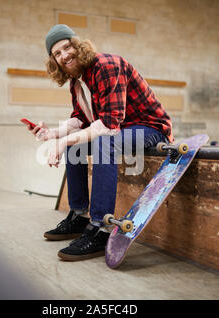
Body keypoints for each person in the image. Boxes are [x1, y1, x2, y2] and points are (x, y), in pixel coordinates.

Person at [27, 24, 173, 261]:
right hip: (123, 130)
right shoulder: (76, 82)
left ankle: (100, 228)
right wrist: (52, 134)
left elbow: (108, 124)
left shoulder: (106, 66)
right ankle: (79, 216)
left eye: (67, 47)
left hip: (152, 129)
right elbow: (80, 119)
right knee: (77, 144)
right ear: (54, 61)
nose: (65, 55)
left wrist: (62, 143)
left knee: (104, 142)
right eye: (57, 54)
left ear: (78, 45)